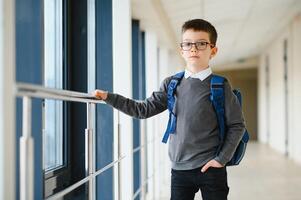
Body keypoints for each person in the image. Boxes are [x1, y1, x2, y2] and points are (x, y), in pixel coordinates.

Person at [94, 18, 245, 200]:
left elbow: (237, 125)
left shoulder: (220, 85)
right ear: (181, 50)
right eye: (188, 44)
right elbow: (143, 110)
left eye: (201, 44)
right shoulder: (172, 84)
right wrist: (109, 97)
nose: (194, 49)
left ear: (213, 50)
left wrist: (221, 160)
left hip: (211, 169)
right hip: (179, 170)